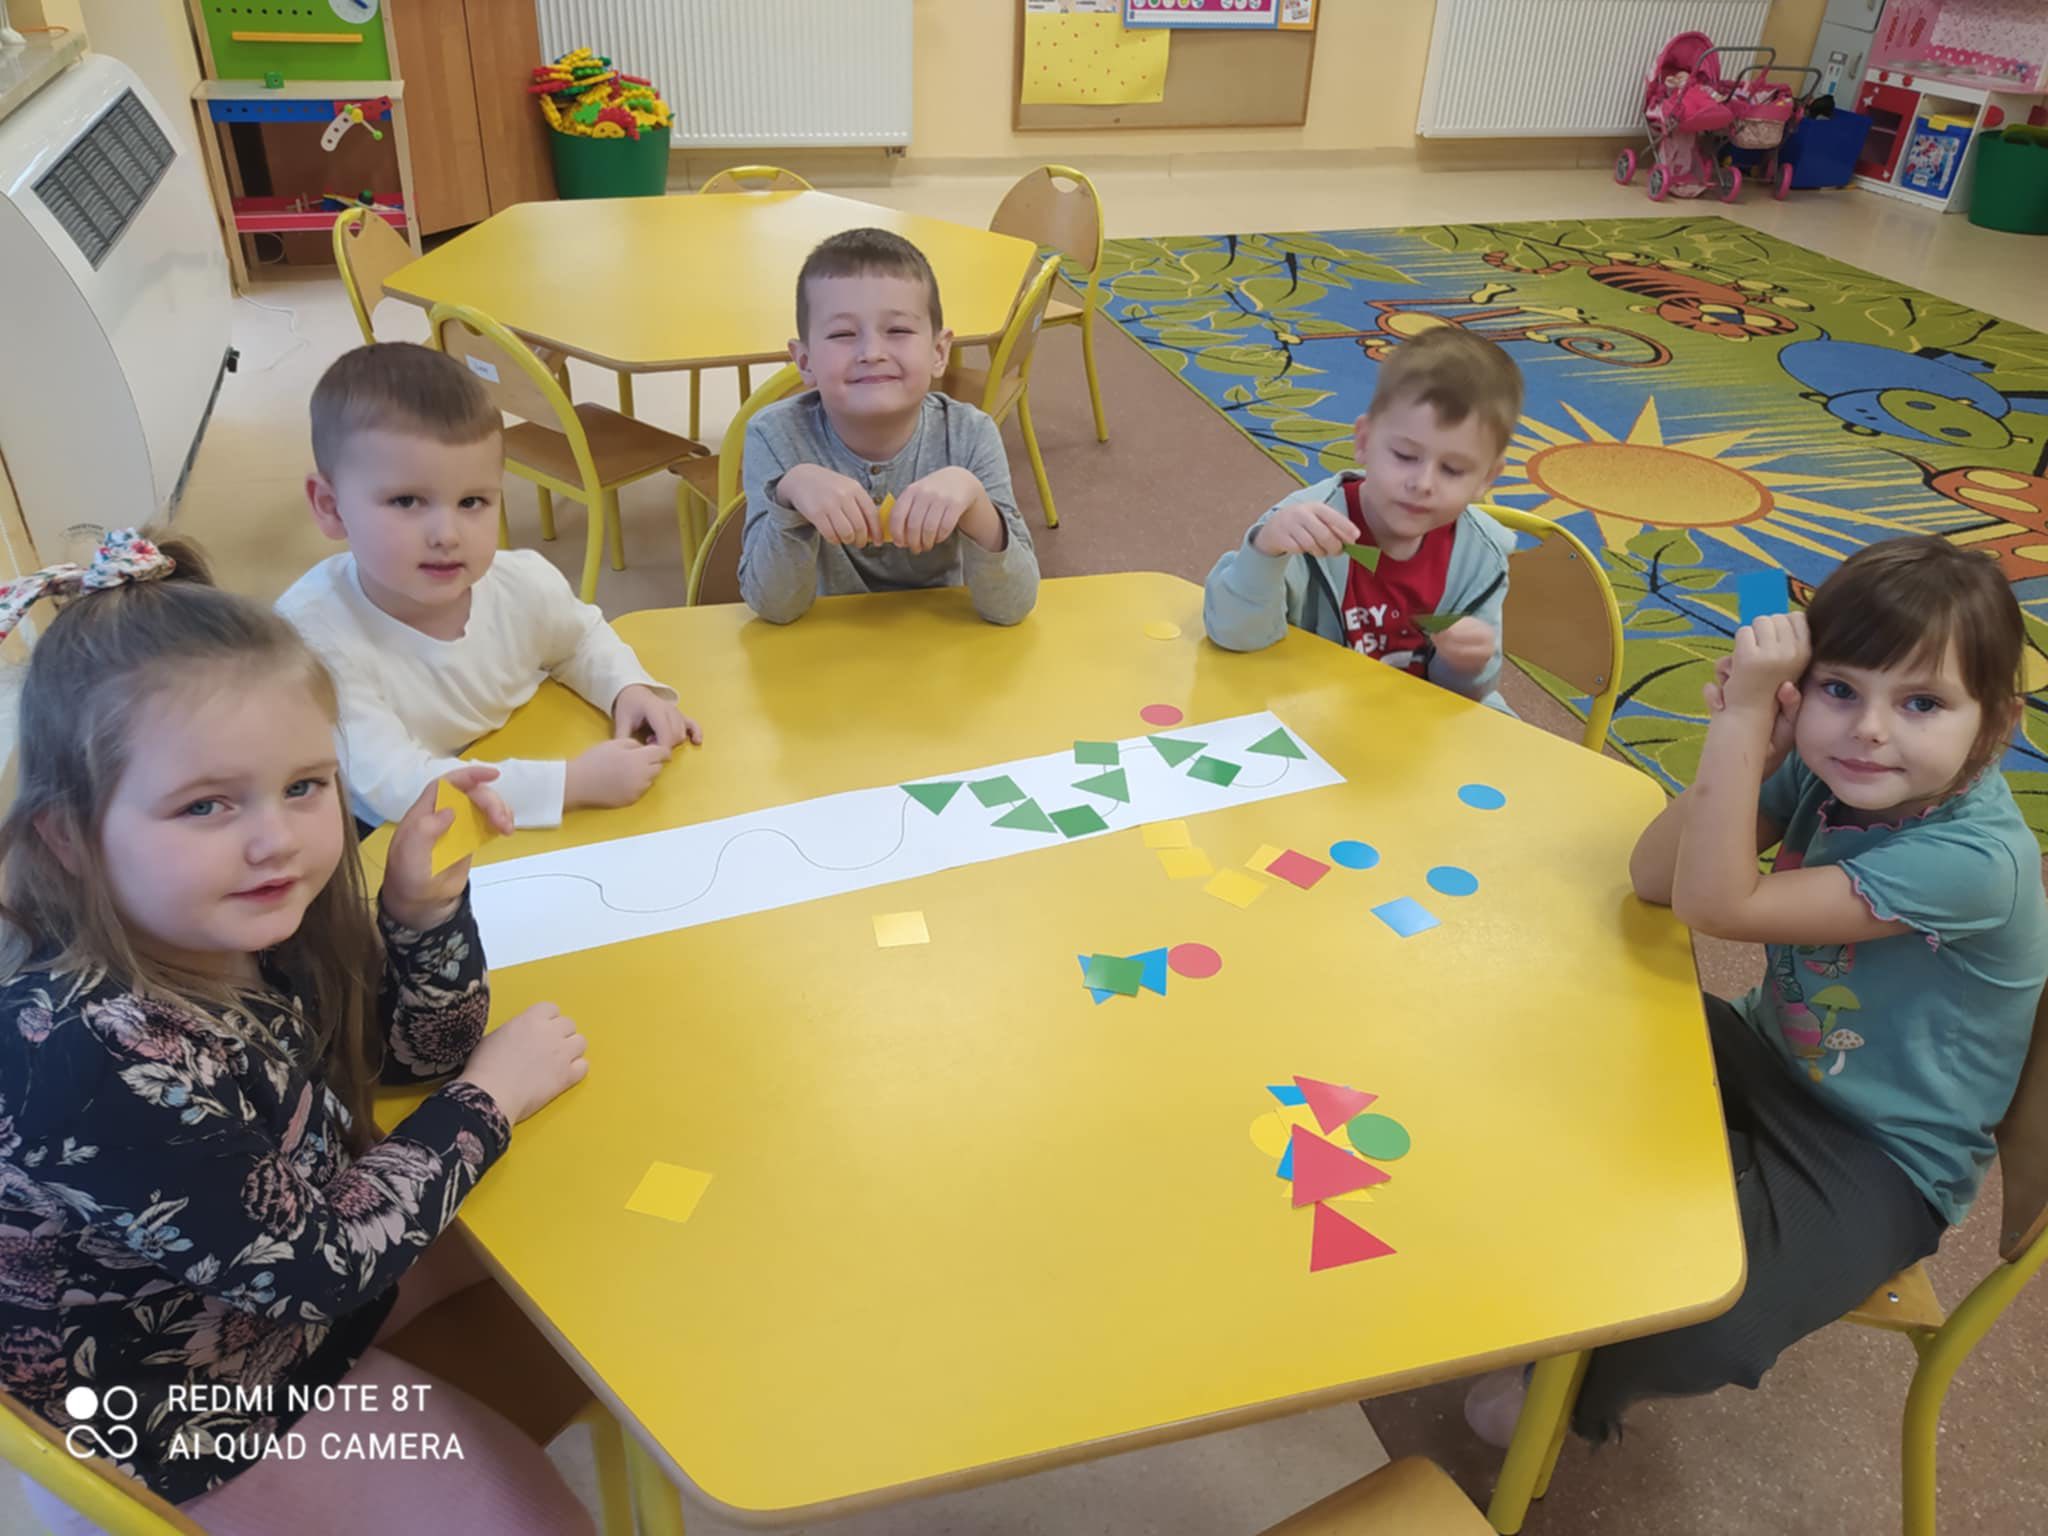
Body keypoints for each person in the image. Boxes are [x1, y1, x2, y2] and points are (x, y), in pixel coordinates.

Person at [0, 531, 593, 1532]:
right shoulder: (83, 1053)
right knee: (534, 1523)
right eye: (205, 805)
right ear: (69, 836)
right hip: (174, 1407)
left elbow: (419, 1052)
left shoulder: (242, 921)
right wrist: (487, 1102)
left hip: (279, 1284)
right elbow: (320, 1268)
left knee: (580, 1249)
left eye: (304, 786)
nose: (276, 839)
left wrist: (419, 913)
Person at [1470, 536, 2048, 1446]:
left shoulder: (1974, 862)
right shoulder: (1826, 766)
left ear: (1997, 724)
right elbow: (1656, 877)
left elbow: (1717, 906)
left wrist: (1741, 724)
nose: (1869, 729)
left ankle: (1579, 1388)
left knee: (1704, 1318)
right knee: (1549, 1023)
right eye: (1839, 688)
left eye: (1923, 703)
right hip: (1768, 1052)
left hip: (1882, 1156)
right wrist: (1754, 743)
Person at [281, 341, 699, 832]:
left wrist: (626, 687)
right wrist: (570, 784)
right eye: (407, 501)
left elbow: (579, 639)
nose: (446, 535)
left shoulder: (521, 582)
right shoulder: (309, 639)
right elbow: (398, 786)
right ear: (330, 506)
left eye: (472, 502)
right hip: (385, 838)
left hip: (507, 806)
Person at [1202, 327, 1522, 710]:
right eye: (1405, 456)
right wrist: (1264, 550)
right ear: (1364, 441)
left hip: (1414, 727)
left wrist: (1466, 665)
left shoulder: (1481, 558)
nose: (1422, 484)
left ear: (1487, 478)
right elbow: (1232, 634)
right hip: (1308, 717)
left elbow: (1464, 700)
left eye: (1452, 470)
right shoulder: (1305, 525)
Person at [738, 227, 1040, 625]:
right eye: (842, 334)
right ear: (805, 362)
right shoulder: (775, 436)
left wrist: (975, 504)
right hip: (823, 642)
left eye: (898, 330)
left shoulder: (970, 435)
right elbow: (774, 607)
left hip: (939, 641)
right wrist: (790, 492)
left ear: (938, 351)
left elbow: (1013, 606)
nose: (872, 352)